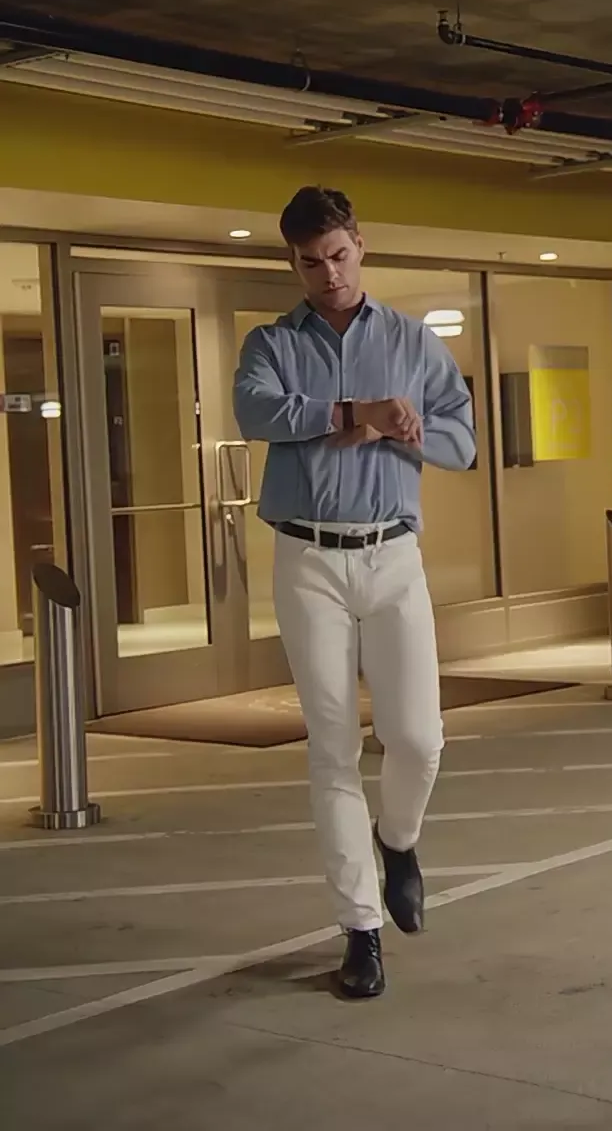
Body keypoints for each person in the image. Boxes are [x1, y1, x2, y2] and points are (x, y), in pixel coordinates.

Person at [233, 186, 476, 999]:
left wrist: (390, 427)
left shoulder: (411, 340)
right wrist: (349, 408)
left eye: (338, 255)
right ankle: (361, 930)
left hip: (393, 554)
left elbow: (462, 441)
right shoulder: (272, 342)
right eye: (310, 262)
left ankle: (397, 840)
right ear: (293, 263)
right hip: (307, 561)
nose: (328, 273)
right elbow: (255, 410)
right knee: (332, 748)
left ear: (360, 246)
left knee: (419, 738)